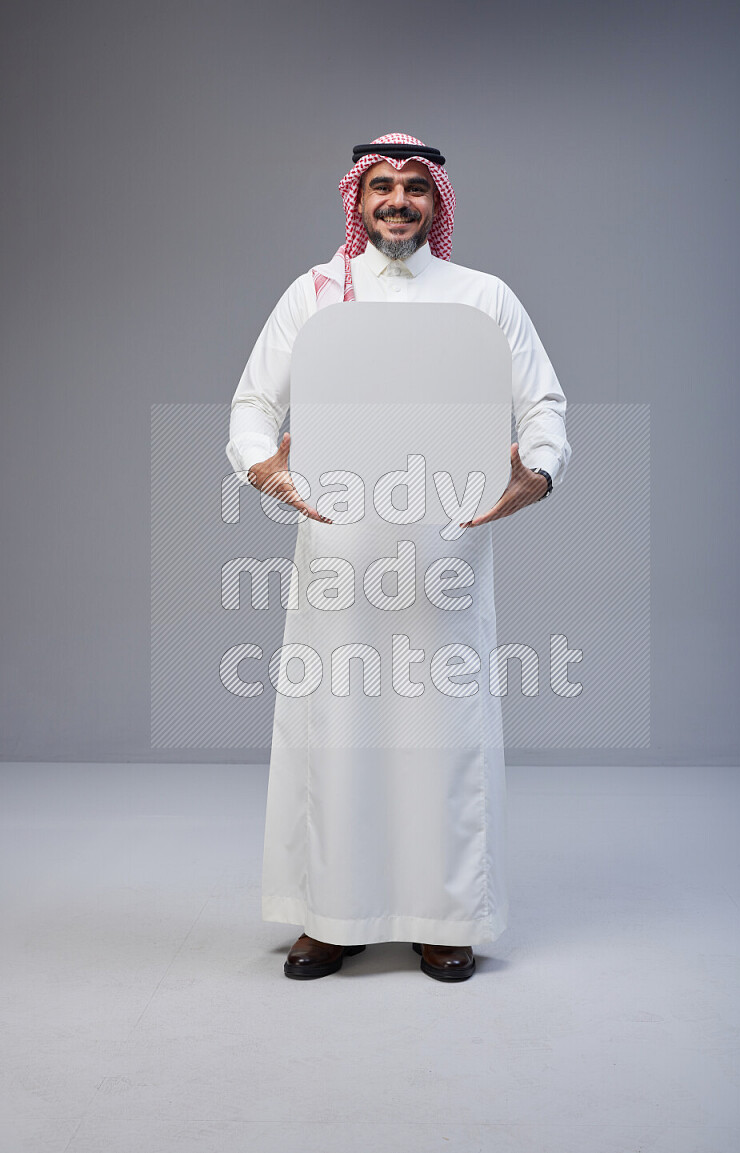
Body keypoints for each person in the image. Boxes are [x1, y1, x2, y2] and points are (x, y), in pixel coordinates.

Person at [226, 133, 571, 982]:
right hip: (339, 553)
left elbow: (544, 404)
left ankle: (442, 916)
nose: (398, 201)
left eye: (415, 187)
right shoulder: (313, 295)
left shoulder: (484, 297)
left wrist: (540, 472)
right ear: (357, 196)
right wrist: (266, 468)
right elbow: (251, 406)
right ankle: (332, 918)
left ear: (437, 201)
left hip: (446, 554)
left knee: (441, 737)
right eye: (381, 185)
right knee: (336, 734)